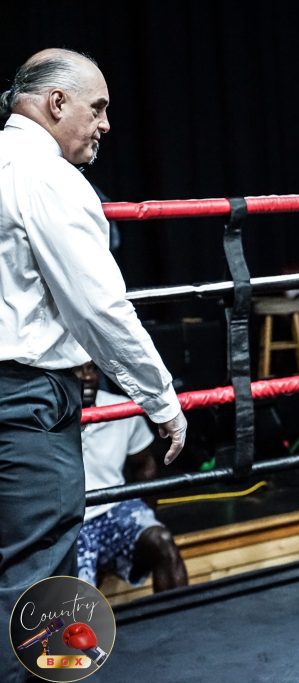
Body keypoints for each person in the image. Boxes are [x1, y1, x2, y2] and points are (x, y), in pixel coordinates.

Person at [0, 48, 186, 679]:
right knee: (34, 580)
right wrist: (162, 400)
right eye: (97, 107)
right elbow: (100, 309)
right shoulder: (48, 177)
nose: (105, 124)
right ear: (56, 103)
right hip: (25, 402)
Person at [74, 362, 188, 593]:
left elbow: (145, 464)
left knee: (161, 540)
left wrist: (146, 513)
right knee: (79, 591)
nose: (87, 376)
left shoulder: (119, 409)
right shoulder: (43, 417)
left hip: (114, 509)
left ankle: (182, 615)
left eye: (92, 368)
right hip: (72, 521)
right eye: (77, 369)